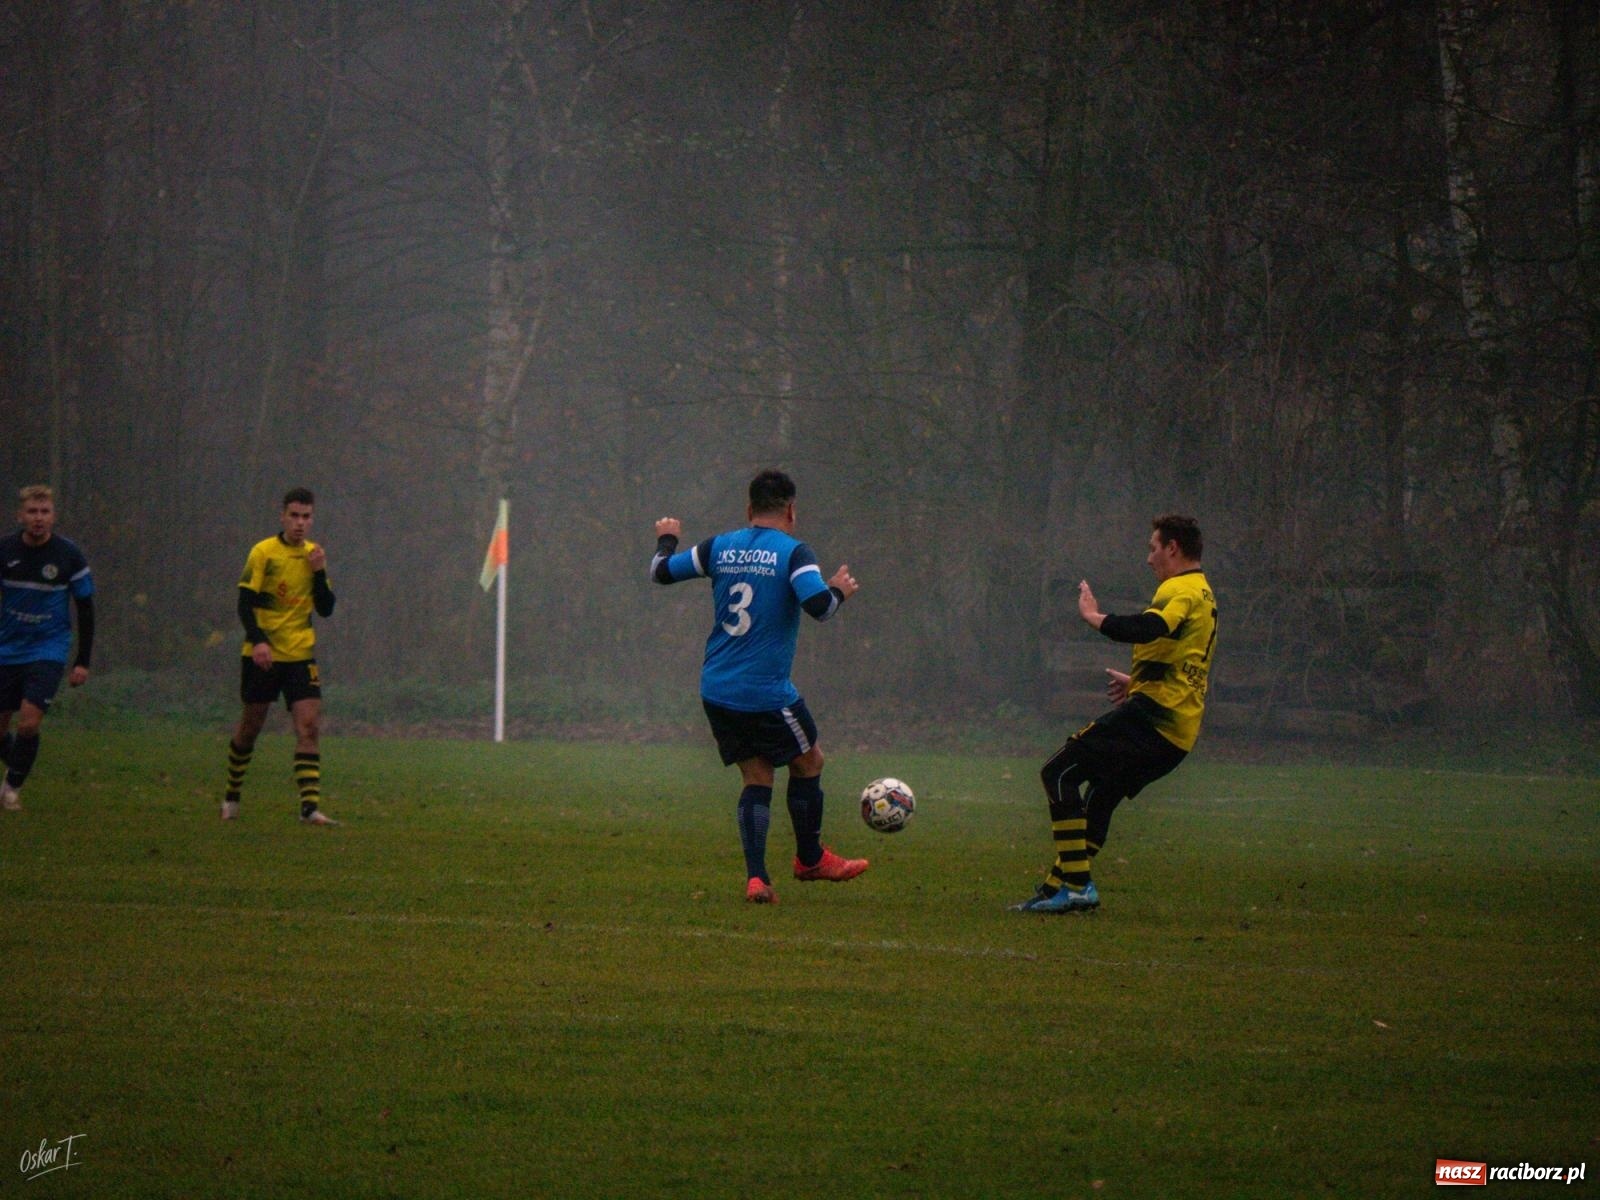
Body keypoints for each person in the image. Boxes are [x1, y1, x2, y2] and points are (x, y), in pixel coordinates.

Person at [651, 468, 868, 903]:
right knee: (810, 761)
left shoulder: (718, 547)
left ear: (749, 510)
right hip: (765, 692)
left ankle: (757, 879)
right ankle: (809, 859)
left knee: (757, 776)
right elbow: (820, 608)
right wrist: (839, 589)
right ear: (791, 510)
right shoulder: (794, 552)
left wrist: (668, 538)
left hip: (717, 689)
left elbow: (660, 572)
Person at [1012, 513, 1217, 913]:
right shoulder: (1204, 592)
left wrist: (1094, 618)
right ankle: (1058, 888)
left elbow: (1149, 628)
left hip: (1156, 720)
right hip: (1177, 733)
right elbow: (1187, 661)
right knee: (1101, 797)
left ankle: (1076, 887)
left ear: (1172, 548)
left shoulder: (1182, 590)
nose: (1149, 558)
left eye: (1153, 547)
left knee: (1058, 772)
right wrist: (1139, 682)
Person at [223, 488, 338, 825]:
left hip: (301, 654)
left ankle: (309, 808)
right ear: (283, 516)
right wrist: (258, 641)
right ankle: (231, 795)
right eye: (295, 516)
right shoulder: (263, 553)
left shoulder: (314, 555)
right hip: (263, 655)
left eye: (306, 517)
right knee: (250, 728)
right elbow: (244, 604)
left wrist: (318, 572)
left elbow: (327, 609)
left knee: (309, 726)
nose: (301, 523)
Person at [0, 485, 95, 811]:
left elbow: (85, 608)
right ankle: (20, 762)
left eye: (44, 512)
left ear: (53, 516)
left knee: (28, 721)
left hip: (48, 648)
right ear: (20, 515)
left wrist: (82, 661)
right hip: (7, 648)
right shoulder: (5, 550)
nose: (38, 519)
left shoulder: (69, 555)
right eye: (32, 512)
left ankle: (12, 786)